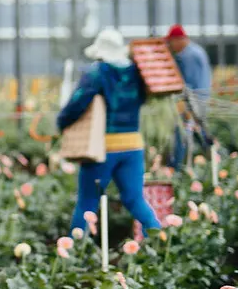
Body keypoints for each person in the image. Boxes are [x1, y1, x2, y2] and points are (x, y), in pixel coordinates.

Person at [57, 28, 161, 235]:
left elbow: (77, 103)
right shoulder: (137, 73)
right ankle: (160, 237)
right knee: (135, 199)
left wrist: (62, 122)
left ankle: (74, 252)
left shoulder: (98, 73)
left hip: (102, 147)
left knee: (87, 202)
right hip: (133, 146)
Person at [165, 24, 213, 169]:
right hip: (203, 97)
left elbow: (187, 84)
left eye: (171, 42)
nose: (170, 46)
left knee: (182, 132)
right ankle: (211, 157)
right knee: (200, 130)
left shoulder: (186, 56)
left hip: (192, 100)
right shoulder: (197, 50)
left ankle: (178, 167)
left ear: (179, 39)